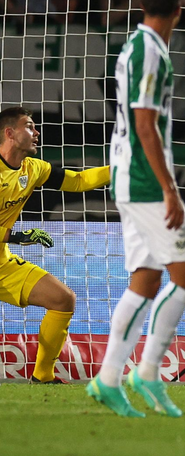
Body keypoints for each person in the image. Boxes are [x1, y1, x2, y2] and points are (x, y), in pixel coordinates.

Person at [88, 0, 185, 418]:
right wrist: (170, 189)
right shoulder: (149, 51)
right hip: (144, 182)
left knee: (147, 280)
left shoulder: (139, 45)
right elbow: (143, 125)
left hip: (129, 177)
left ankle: (109, 378)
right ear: (180, 8)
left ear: (141, 6)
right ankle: (147, 371)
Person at [0, 107, 110, 383]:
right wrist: (16, 236)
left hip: (2, 264)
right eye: (29, 126)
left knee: (63, 299)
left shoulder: (33, 169)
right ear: (10, 133)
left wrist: (121, 169)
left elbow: (79, 181)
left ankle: (43, 376)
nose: (36, 133)